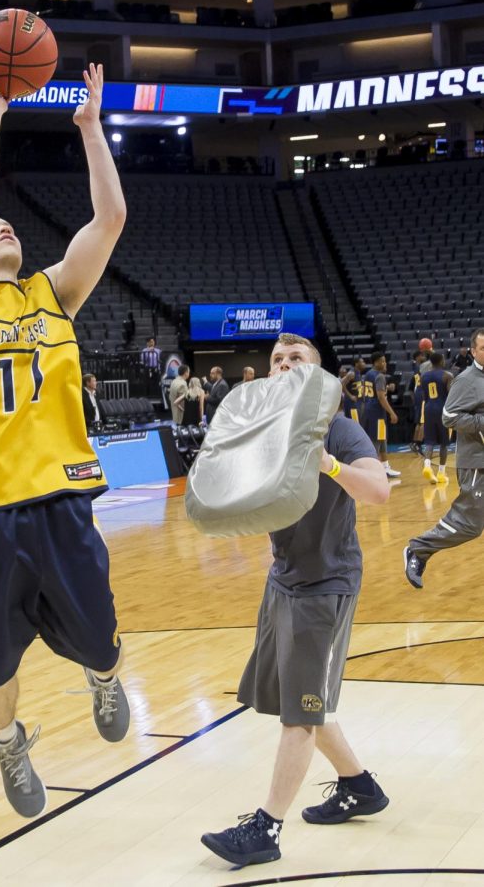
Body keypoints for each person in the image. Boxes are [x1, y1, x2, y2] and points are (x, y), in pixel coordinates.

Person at [0, 61, 128, 819]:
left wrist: (90, 128)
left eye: (7, 224)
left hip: (62, 501)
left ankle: (103, 676)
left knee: (105, 644)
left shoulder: (55, 293)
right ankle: (10, 743)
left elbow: (107, 222)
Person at [201, 333, 391, 868]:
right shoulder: (262, 429)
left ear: (317, 373)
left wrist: (328, 464)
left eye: (296, 359)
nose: (284, 366)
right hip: (283, 579)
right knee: (296, 696)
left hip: (326, 584)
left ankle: (266, 830)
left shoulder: (338, 425)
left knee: (300, 713)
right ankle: (359, 786)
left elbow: (378, 492)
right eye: (276, 361)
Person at [404, 327, 484, 589]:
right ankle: (418, 549)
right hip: (476, 463)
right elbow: (449, 416)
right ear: (473, 351)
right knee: (469, 525)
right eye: (483, 348)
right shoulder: (467, 379)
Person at [361, 352, 400, 478]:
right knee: (376, 441)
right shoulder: (380, 376)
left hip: (368, 410)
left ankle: (385, 467)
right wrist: (392, 413)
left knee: (382, 439)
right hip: (377, 412)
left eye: (385, 361)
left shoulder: (368, 374)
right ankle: (371, 470)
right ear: (375, 363)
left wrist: (386, 388)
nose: (385, 363)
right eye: (382, 361)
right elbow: (381, 397)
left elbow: (369, 391)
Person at [420, 353, 453, 485]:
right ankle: (441, 473)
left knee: (429, 441)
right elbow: (452, 396)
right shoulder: (447, 375)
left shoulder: (424, 376)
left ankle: (427, 465)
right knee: (444, 443)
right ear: (441, 360)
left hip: (428, 408)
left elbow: (425, 395)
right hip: (443, 409)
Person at [408, 350, 425, 455]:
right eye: (422, 355)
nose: (424, 357)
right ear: (418, 357)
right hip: (422, 394)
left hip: (418, 394)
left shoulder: (416, 368)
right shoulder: (421, 367)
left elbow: (410, 388)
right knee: (423, 422)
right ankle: (418, 444)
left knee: (419, 421)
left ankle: (415, 443)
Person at [341, 357, 366, 423]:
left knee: (358, 423)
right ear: (356, 364)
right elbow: (341, 385)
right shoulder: (352, 373)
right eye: (362, 362)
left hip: (358, 403)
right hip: (351, 403)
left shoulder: (358, 373)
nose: (364, 364)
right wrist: (350, 396)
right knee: (355, 423)